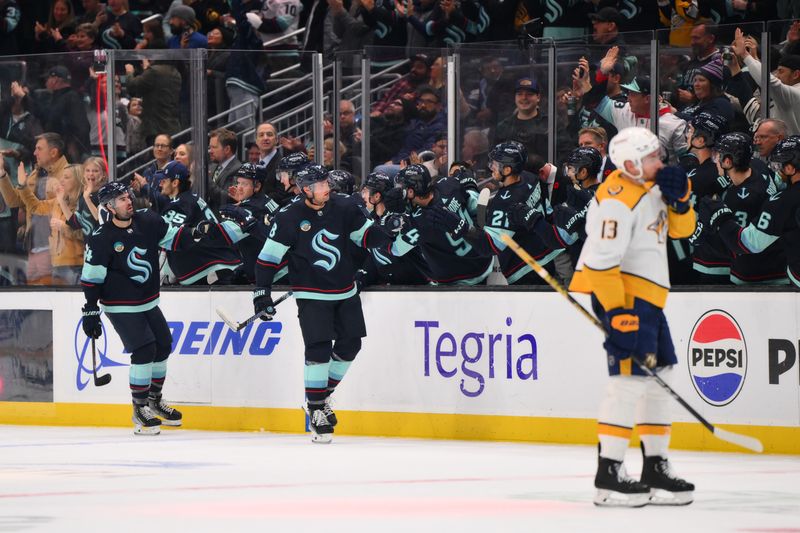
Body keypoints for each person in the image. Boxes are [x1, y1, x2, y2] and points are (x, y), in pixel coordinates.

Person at [568, 126, 696, 507]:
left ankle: (654, 466)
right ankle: (609, 474)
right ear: (630, 164)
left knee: (660, 379)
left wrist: (682, 200)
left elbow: (680, 232)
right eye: (653, 157)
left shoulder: (651, 187)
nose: (662, 161)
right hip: (625, 298)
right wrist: (618, 312)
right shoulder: (615, 199)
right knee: (627, 382)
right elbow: (602, 262)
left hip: (650, 300)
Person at [253, 163, 398, 443]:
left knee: (351, 344)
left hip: (344, 289)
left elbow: (366, 237)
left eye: (326, 183)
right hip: (311, 293)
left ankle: (320, 395)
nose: (326, 188)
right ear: (305, 189)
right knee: (318, 349)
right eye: (320, 185)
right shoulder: (289, 216)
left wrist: (388, 229)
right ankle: (317, 409)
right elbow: (268, 258)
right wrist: (261, 292)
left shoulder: (344, 207)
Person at [79, 181, 231, 434]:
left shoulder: (148, 221)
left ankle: (154, 400)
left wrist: (198, 231)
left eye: (128, 196)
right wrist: (91, 310)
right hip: (120, 304)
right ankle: (139, 409)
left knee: (163, 344)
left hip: (147, 299)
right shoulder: (101, 238)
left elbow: (175, 239)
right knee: (144, 349)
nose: (128, 201)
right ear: (109, 207)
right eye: (121, 199)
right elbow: (92, 278)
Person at [707, 136, 800, 288]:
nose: (778, 171)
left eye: (780, 166)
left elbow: (749, 243)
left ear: (790, 168)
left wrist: (720, 216)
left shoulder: (783, 202)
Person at [155, 160, 242, 285]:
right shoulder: (191, 198)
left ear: (175, 183)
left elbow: (167, 237)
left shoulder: (179, 205)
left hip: (211, 270)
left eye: (164, 180)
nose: (160, 183)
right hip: (222, 263)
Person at [0, 132, 69, 285]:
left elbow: (45, 207)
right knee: (36, 297)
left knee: (50, 295)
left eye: (39, 148)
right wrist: (2, 174)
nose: (34, 153)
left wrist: (23, 186)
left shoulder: (68, 175)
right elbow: (14, 201)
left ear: (53, 152)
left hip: (55, 249)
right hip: (34, 247)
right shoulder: (35, 173)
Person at [18, 163, 85, 284]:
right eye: (62, 176)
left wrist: (63, 227)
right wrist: (23, 186)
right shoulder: (58, 201)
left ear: (78, 180)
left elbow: (86, 234)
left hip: (76, 265)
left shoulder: (84, 204)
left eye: (67, 177)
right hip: (57, 263)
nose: (61, 180)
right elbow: (35, 207)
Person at [207, 127, 242, 212]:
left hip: (222, 221)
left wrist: (206, 179)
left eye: (214, 147)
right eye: (209, 147)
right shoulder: (212, 166)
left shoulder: (239, 169)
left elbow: (227, 198)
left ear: (227, 149)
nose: (210, 151)